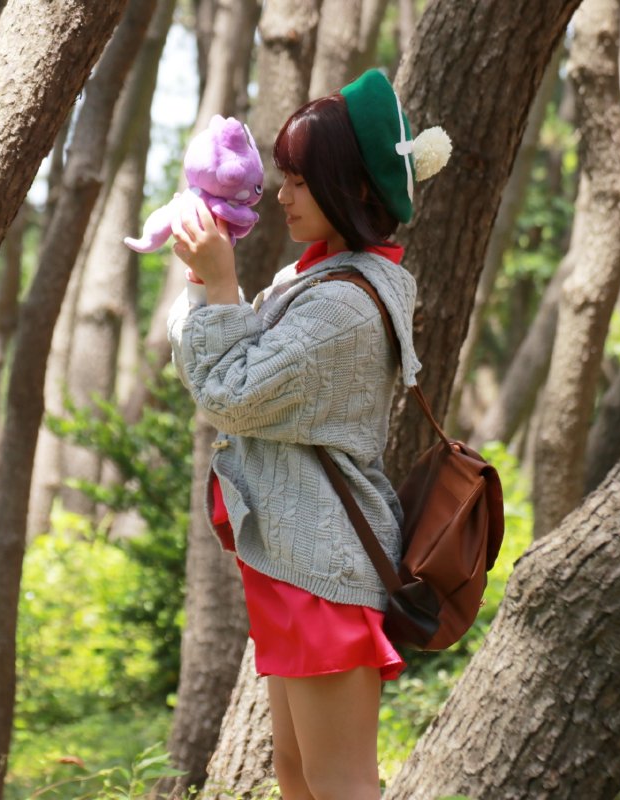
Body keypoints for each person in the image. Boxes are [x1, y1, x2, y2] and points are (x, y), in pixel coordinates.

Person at [166, 69, 440, 800]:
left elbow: (229, 395)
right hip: (297, 562)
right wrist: (203, 283)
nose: (281, 196)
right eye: (283, 178)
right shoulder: (309, 280)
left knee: (337, 783)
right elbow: (211, 371)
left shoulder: (343, 307)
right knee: (296, 776)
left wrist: (220, 287)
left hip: (327, 569)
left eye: (299, 181)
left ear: (350, 188)